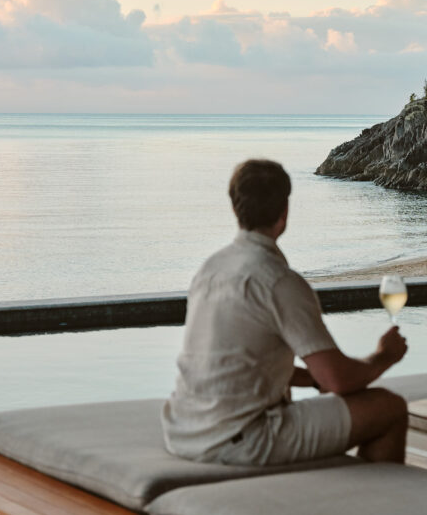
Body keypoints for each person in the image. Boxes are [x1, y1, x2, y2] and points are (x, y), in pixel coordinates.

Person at [162, 159, 409, 466]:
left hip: (184, 431)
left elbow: (241, 363)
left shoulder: (210, 269)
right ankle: (377, 497)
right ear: (284, 213)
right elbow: (338, 380)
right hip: (242, 439)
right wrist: (385, 355)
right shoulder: (279, 282)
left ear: (235, 208)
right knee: (389, 407)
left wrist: (314, 381)